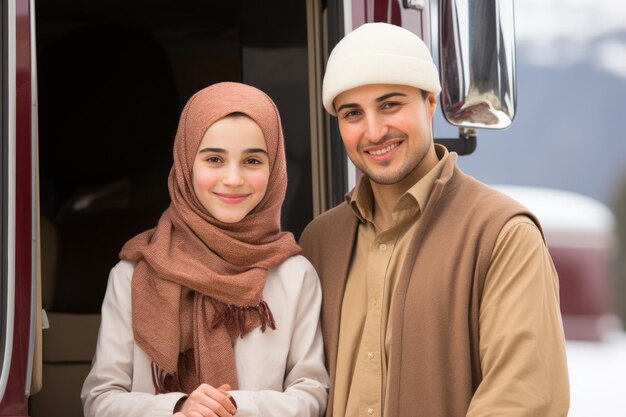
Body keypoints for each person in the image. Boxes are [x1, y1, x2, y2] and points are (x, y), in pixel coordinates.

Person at [299, 23, 569, 417]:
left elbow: (524, 400)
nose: (373, 131)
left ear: (429, 102)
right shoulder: (320, 241)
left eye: (390, 104)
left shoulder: (503, 235)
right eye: (352, 113)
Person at [82, 82, 329, 417]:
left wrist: (232, 408)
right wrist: (178, 408)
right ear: (186, 163)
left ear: (275, 171)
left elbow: (312, 392)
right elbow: (100, 398)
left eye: (252, 160)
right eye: (214, 158)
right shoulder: (133, 275)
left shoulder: (295, 275)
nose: (232, 178)